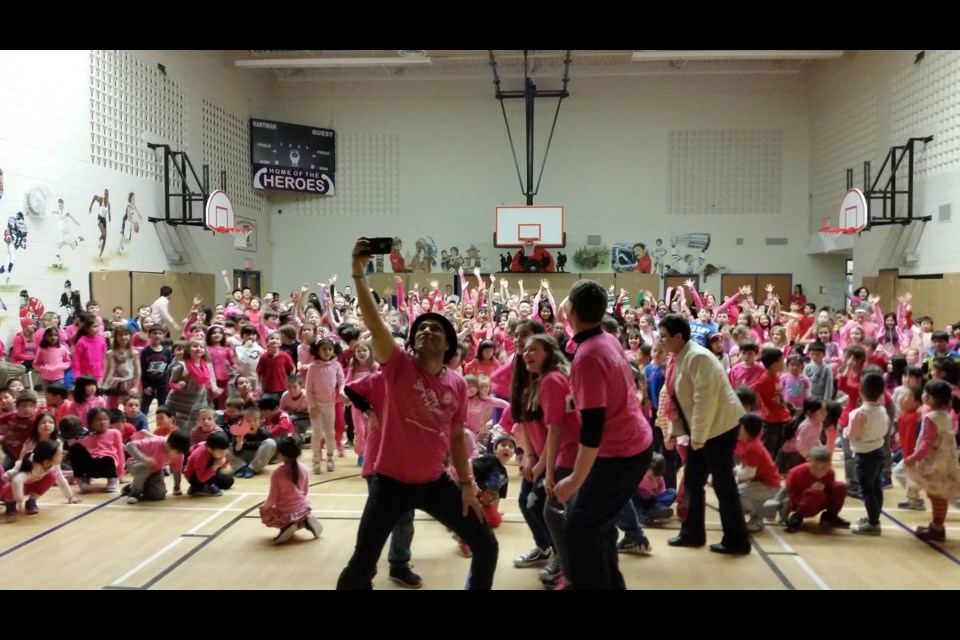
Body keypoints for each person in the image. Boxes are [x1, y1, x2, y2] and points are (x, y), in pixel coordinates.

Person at [337, 238, 497, 591]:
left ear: (449, 346)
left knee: (486, 543)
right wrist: (358, 275)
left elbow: (456, 437)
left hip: (434, 484)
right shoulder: (397, 366)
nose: (426, 330)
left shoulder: (456, 384)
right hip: (389, 484)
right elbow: (375, 323)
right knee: (361, 565)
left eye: (435, 329)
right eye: (421, 328)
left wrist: (468, 486)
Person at [550, 280, 653, 589]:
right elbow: (570, 323)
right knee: (599, 528)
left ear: (572, 310)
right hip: (631, 445)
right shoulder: (604, 338)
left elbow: (593, 428)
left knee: (580, 530)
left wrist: (574, 480)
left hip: (621, 454)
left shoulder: (588, 358)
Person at [658, 313, 750, 555]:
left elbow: (704, 402)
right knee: (692, 481)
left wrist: (697, 437)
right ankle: (693, 533)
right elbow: (680, 400)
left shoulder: (697, 357)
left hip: (718, 428)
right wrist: (677, 432)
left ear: (679, 336)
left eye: (664, 336)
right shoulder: (680, 356)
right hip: (705, 429)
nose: (661, 340)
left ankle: (737, 541)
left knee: (723, 485)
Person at [260, 436, 323, 544]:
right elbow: (305, 491)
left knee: (265, 512)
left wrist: (264, 508)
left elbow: (272, 500)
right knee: (297, 511)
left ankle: (286, 526)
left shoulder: (277, 474)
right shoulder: (303, 468)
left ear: (280, 454)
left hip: (286, 513)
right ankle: (305, 521)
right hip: (303, 509)